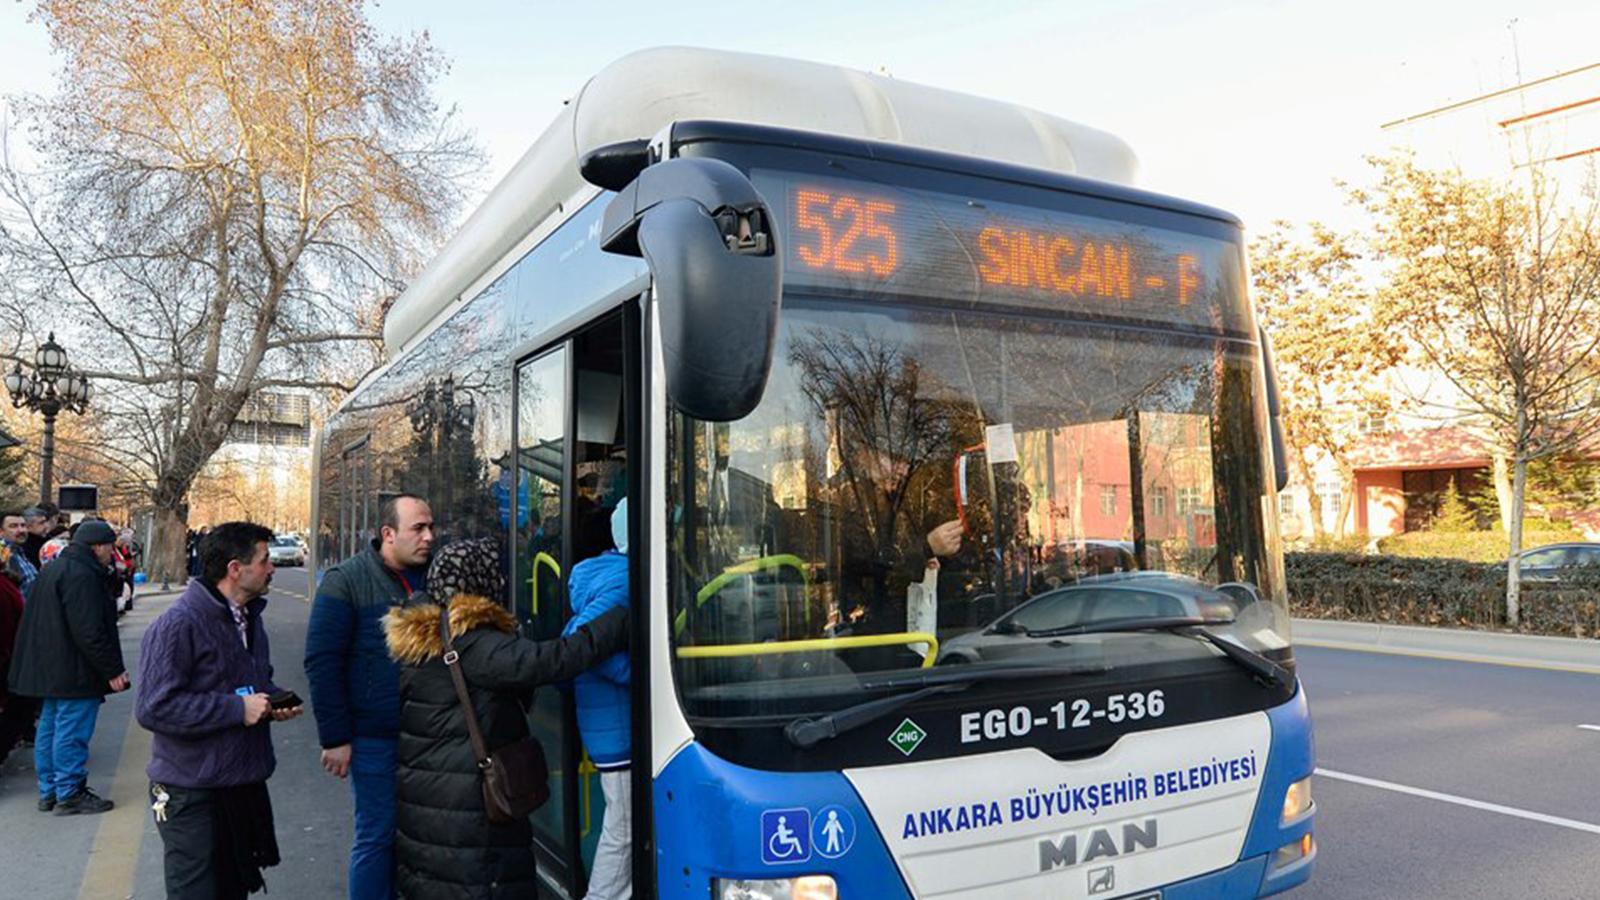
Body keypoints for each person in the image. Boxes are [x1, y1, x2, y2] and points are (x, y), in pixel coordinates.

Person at [383, 537, 627, 900]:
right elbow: (553, 661)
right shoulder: (474, 642)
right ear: (481, 583)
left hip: (431, 800)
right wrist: (622, 614)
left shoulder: (424, 636)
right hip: (470, 806)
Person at [136, 522, 304, 899]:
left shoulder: (248, 618)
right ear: (234, 569)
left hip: (238, 786)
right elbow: (154, 707)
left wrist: (273, 700)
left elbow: (252, 682)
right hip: (190, 792)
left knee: (232, 889)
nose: (271, 568)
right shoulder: (177, 625)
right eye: (263, 560)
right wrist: (236, 709)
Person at [305, 494, 433, 900]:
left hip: (429, 737)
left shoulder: (434, 575)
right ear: (388, 534)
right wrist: (335, 737)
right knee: (377, 835)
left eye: (431, 527)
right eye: (418, 528)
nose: (429, 537)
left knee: (421, 836)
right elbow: (322, 662)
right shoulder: (347, 580)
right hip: (374, 738)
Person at [5, 520, 130, 814]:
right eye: (109, 547)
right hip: (75, 669)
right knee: (71, 731)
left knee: (51, 727)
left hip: (51, 667)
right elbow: (90, 630)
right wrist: (112, 669)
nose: (111, 552)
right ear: (98, 546)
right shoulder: (83, 575)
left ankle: (50, 790)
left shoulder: (54, 569)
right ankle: (69, 791)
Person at [562, 499, 633, 900]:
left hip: (607, 721)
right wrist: (644, 674)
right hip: (618, 727)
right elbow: (584, 643)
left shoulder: (602, 573)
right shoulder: (625, 579)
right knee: (622, 829)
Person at [2, 509, 40, 598]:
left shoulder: (19, 552)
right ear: (1, 531)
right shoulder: (4, 556)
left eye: (23, 525)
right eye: (13, 526)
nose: (21, 530)